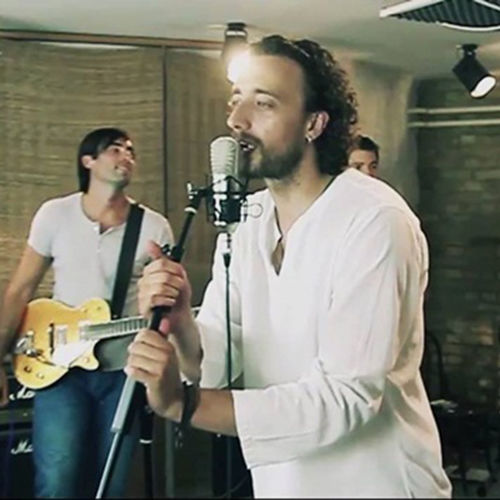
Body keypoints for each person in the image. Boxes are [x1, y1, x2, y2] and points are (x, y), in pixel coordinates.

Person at [126, 35, 452, 498]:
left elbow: (347, 396)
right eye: (236, 100)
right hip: (284, 483)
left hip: (377, 483)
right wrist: (182, 326)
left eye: (264, 103)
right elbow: (222, 354)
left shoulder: (375, 221)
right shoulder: (250, 220)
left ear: (314, 123)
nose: (237, 121)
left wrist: (185, 405)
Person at [0, 127, 174, 498]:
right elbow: (19, 290)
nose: (126, 156)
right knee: (56, 480)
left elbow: (167, 304)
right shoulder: (55, 215)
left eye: (131, 150)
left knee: (111, 483)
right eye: (115, 149)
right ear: (88, 161)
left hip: (124, 373)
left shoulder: (153, 227)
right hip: (60, 370)